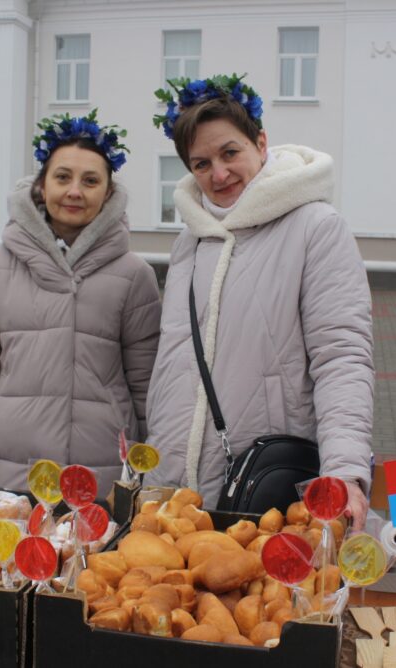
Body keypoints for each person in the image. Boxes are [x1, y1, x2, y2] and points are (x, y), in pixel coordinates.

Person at [144, 75, 374, 527]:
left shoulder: (315, 228)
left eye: (230, 152)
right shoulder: (187, 241)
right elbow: (173, 361)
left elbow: (342, 356)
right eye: (201, 163)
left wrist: (345, 472)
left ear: (261, 143)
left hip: (264, 486)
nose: (220, 173)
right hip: (179, 493)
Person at [0, 111, 162, 496]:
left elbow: (147, 388)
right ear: (41, 187)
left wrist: (149, 473)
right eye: (63, 177)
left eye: (90, 180)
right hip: (10, 476)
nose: (75, 191)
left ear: (108, 194)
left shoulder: (134, 275)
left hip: (102, 479)